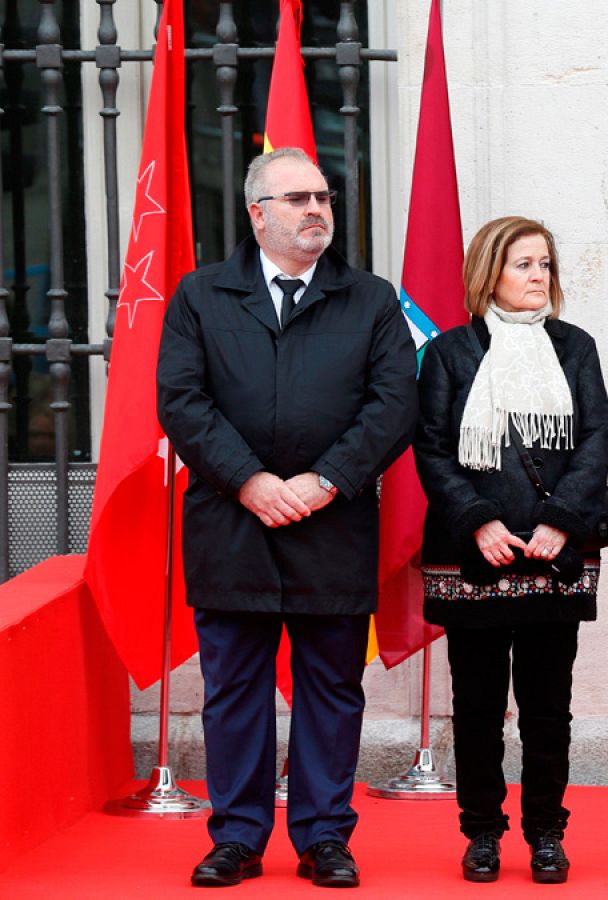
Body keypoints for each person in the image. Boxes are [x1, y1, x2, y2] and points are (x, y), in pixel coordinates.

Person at [158, 147, 418, 888]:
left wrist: (325, 480)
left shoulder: (369, 298)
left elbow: (394, 403)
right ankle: (236, 836)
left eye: (324, 198)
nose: (315, 210)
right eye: (297, 198)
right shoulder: (201, 296)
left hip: (329, 525)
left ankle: (324, 837)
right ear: (257, 213)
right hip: (230, 523)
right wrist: (249, 482)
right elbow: (181, 400)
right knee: (234, 689)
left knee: (331, 689)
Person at [413, 217, 608, 884]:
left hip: (554, 557)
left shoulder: (575, 348)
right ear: (489, 274)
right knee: (475, 707)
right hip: (473, 555)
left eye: (545, 265)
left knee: (547, 709)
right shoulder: (449, 353)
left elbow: (595, 441)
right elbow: (434, 450)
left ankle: (546, 833)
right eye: (524, 264)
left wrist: (560, 520)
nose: (539, 277)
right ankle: (482, 833)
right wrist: (478, 522)